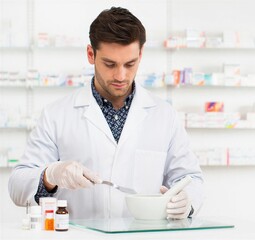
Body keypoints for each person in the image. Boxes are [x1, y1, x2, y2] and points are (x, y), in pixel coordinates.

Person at [8, 7, 203, 220]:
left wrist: (188, 200)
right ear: (91, 54)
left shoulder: (165, 116)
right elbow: (17, 186)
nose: (121, 75)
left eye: (130, 64)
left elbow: (190, 178)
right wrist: (50, 175)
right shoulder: (56, 115)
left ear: (141, 54)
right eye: (110, 64)